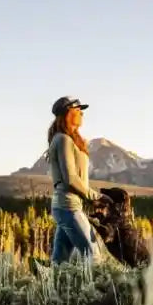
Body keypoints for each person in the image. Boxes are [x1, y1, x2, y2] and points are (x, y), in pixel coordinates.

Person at [47, 96, 104, 265]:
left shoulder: (68, 140)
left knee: (60, 261)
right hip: (68, 207)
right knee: (93, 256)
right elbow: (70, 179)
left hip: (68, 206)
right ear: (68, 113)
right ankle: (95, 291)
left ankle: (51, 289)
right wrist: (96, 197)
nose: (82, 114)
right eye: (78, 111)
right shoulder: (63, 140)